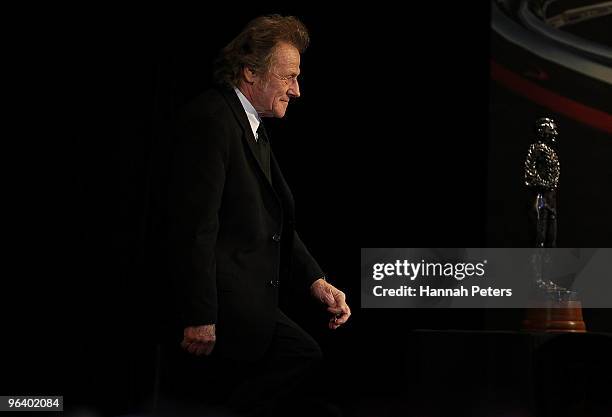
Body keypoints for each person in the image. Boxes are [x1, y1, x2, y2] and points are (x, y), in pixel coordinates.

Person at [166, 14, 351, 416]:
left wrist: (317, 281)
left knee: (304, 362)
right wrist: (199, 316)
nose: (297, 90)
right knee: (297, 361)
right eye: (289, 77)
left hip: (247, 302)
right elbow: (194, 227)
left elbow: (276, 219)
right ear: (250, 72)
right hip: (223, 306)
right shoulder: (213, 120)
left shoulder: (251, 126)